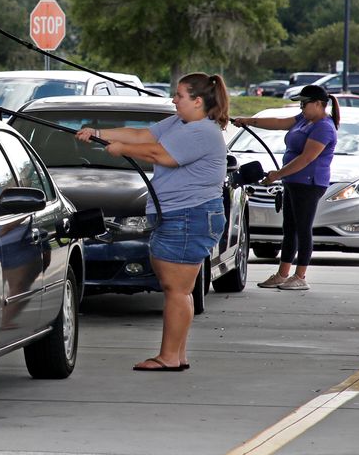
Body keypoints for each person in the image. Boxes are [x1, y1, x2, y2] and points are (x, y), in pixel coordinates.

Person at [76, 72, 229, 372]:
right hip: (179, 215)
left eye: (180, 95)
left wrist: (121, 150)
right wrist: (99, 133)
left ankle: (169, 357)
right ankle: (177, 355)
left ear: (198, 101)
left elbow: (160, 154)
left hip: (189, 216)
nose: (174, 99)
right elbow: (142, 135)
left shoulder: (202, 132)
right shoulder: (180, 122)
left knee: (176, 290)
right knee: (177, 289)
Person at [233, 84, 339, 291]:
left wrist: (277, 175)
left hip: (309, 183)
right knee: (289, 228)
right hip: (293, 181)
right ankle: (283, 274)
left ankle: (300, 276)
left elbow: (307, 158)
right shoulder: (305, 120)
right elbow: (279, 123)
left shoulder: (324, 127)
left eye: (304, 103)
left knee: (303, 228)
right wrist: (249, 121)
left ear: (319, 104)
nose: (301, 108)